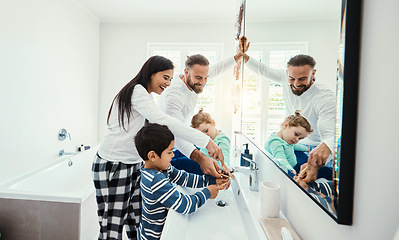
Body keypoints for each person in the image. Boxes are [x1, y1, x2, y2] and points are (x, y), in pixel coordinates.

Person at [92, 56, 225, 240]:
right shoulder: (137, 91)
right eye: (165, 77)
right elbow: (165, 121)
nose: (168, 83)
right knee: (112, 227)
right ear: (151, 73)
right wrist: (206, 141)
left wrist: (208, 180)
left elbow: (171, 136)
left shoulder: (145, 97)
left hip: (132, 164)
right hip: (115, 164)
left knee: (135, 221)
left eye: (171, 79)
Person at [237, 37, 336, 182]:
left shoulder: (325, 97)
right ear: (287, 74)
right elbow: (262, 70)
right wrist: (242, 55)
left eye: (302, 79)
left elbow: (330, 135)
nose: (296, 84)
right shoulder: (285, 79)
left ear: (313, 74)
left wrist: (326, 147)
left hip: (315, 149)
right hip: (296, 144)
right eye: (292, 79)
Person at [135, 123, 227, 240]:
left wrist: (212, 180)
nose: (173, 155)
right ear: (153, 156)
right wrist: (207, 193)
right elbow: (184, 205)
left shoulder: (162, 168)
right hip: (152, 237)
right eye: (169, 152)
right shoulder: (155, 180)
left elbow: (184, 178)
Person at [158, 54, 240, 175]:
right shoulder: (174, 96)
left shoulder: (196, 76)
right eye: (198, 78)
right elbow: (178, 132)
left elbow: (217, 69)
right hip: (163, 145)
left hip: (179, 139)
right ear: (186, 72)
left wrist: (239, 56)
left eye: (206, 77)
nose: (203, 83)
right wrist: (204, 153)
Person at [172, 109, 231, 175]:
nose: (204, 136)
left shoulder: (223, 139)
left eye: (206, 131)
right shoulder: (213, 135)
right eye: (201, 134)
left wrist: (226, 167)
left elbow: (225, 155)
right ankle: (167, 155)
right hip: (203, 154)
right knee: (181, 153)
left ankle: (165, 164)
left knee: (182, 162)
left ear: (213, 123)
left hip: (206, 166)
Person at [264, 110, 312, 177]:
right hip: (289, 168)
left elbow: (294, 146)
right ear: (285, 125)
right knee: (314, 172)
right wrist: (290, 169)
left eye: (300, 138)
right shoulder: (275, 142)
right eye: (296, 134)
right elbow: (280, 158)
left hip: (294, 165)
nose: (297, 140)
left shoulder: (286, 140)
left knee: (317, 169)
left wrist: (305, 148)